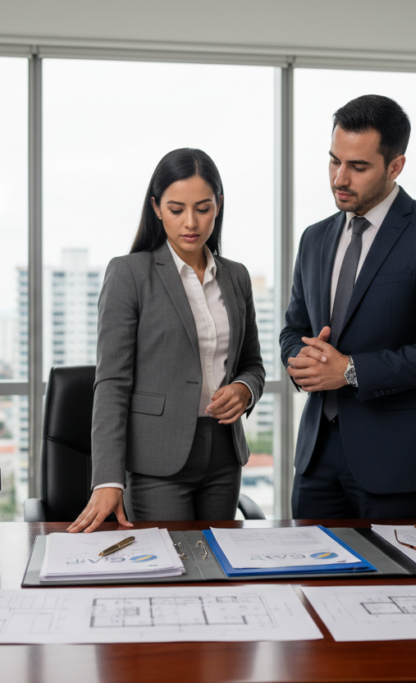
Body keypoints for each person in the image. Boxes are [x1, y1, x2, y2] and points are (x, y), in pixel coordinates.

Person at [280, 94, 416, 520]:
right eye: (334, 161)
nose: (339, 178)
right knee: (310, 583)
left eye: (358, 166)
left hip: (399, 463)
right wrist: (303, 360)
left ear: (395, 166)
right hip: (316, 459)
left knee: (399, 586)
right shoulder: (314, 239)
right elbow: (292, 329)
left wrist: (350, 369)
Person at [69, 148, 266, 533]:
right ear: (157, 208)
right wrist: (108, 478)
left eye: (203, 208)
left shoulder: (236, 277)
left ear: (219, 205)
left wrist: (246, 389)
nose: (190, 222)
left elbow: (253, 363)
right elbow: (112, 381)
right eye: (177, 209)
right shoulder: (130, 273)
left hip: (224, 454)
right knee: (173, 572)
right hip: (157, 459)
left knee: (220, 572)